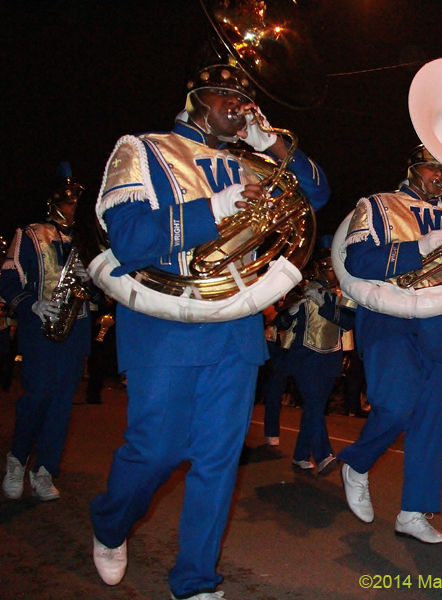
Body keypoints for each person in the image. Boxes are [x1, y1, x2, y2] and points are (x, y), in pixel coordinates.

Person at [88, 60, 330, 598]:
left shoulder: (254, 163)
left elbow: (317, 195)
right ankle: (109, 522)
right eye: (226, 94)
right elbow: (127, 238)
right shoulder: (143, 148)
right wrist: (212, 210)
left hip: (235, 326)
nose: (239, 105)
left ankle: (196, 579)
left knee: (219, 460)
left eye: (244, 99)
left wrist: (275, 146)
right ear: (195, 96)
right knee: (156, 449)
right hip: (163, 322)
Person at [337, 145, 442, 543]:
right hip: (387, 317)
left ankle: (413, 511)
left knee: (430, 422)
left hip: (440, 323)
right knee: (395, 406)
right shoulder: (379, 205)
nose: (441, 176)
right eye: (434, 167)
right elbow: (357, 259)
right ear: (413, 167)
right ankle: (357, 464)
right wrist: (419, 249)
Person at [1, 164, 95, 503]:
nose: (72, 208)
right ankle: (17, 461)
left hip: (75, 329)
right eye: (67, 201)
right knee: (37, 397)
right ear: (54, 201)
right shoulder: (28, 233)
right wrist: (33, 305)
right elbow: (9, 281)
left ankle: (45, 471)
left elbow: (100, 295)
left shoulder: (86, 241)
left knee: (60, 406)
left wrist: (91, 278)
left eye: (76, 202)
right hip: (40, 329)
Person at [274, 250, 355, 475]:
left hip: (331, 358)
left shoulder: (343, 293)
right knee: (313, 405)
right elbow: (280, 321)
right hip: (304, 357)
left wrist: (325, 305)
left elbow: (348, 323)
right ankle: (323, 455)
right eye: (329, 267)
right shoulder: (302, 291)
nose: (333, 272)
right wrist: (291, 311)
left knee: (315, 407)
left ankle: (301, 454)